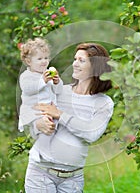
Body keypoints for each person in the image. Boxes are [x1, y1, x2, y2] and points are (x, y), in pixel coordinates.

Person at [24, 43, 114, 192]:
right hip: (41, 173)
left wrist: (60, 114)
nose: (75, 64)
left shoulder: (103, 103)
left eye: (81, 60)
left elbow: (91, 134)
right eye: (75, 59)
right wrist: (39, 123)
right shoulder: (60, 92)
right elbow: (34, 117)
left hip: (73, 179)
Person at [18, 38, 62, 133]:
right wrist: (43, 81)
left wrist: (56, 82)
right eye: (39, 59)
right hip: (34, 112)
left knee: (55, 129)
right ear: (29, 61)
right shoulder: (26, 76)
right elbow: (28, 89)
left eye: (46, 58)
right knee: (44, 128)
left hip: (50, 110)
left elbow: (58, 91)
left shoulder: (47, 73)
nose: (44, 61)